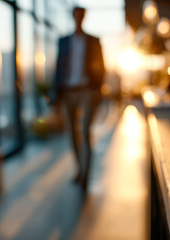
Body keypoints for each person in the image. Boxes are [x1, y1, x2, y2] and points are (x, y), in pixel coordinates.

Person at [53, 6, 105, 191]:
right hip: (67, 92)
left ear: (84, 17)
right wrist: (56, 94)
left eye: (81, 15)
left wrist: (97, 89)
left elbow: (101, 65)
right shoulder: (63, 41)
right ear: (72, 17)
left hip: (86, 91)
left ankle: (85, 175)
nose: (78, 18)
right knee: (72, 134)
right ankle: (79, 168)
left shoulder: (93, 41)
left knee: (85, 132)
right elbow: (58, 67)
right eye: (75, 15)